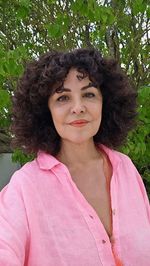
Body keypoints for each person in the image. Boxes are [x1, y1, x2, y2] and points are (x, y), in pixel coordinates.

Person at [0, 48, 149, 266]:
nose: (78, 108)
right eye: (63, 98)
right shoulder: (25, 187)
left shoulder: (125, 168)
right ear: (45, 110)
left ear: (105, 103)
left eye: (89, 94)